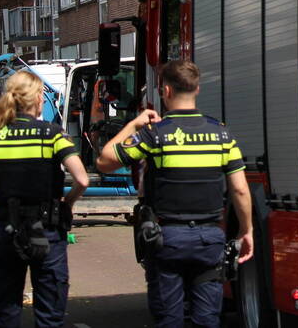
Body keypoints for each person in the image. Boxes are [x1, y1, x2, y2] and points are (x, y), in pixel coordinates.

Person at [96, 59, 253, 328]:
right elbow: (239, 188)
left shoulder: (155, 135)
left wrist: (134, 124)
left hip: (168, 239)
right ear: (197, 89)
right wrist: (246, 230)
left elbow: (105, 160)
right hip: (209, 239)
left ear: (165, 91)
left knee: (170, 318)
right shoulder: (222, 134)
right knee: (207, 319)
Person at [0, 71, 89, 328]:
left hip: (4, 231)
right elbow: (82, 179)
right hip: (46, 231)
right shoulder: (52, 134)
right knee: (49, 313)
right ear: (36, 98)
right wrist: (68, 203)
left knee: (6, 313)